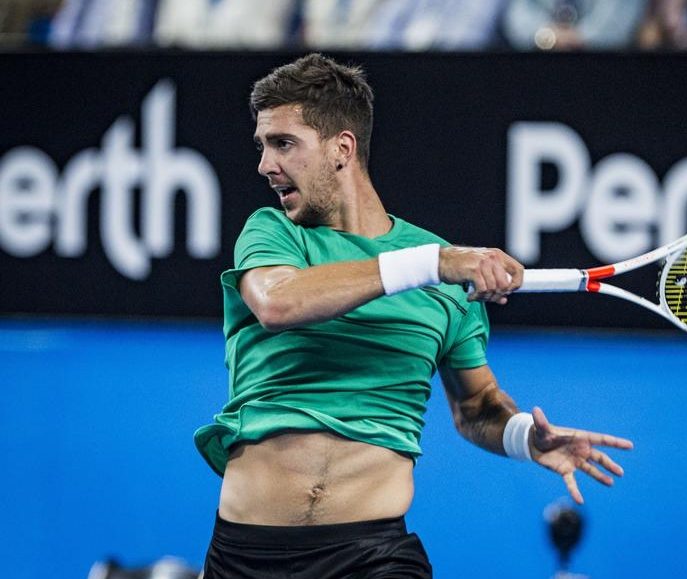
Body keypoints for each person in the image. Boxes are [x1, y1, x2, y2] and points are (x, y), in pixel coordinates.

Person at [195, 53, 634, 579]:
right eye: (262, 145)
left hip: (374, 557)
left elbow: (476, 407)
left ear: (342, 148)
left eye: (283, 143)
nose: (265, 165)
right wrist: (431, 264)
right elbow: (277, 302)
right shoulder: (274, 233)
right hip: (245, 556)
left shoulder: (446, 278)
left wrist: (523, 436)